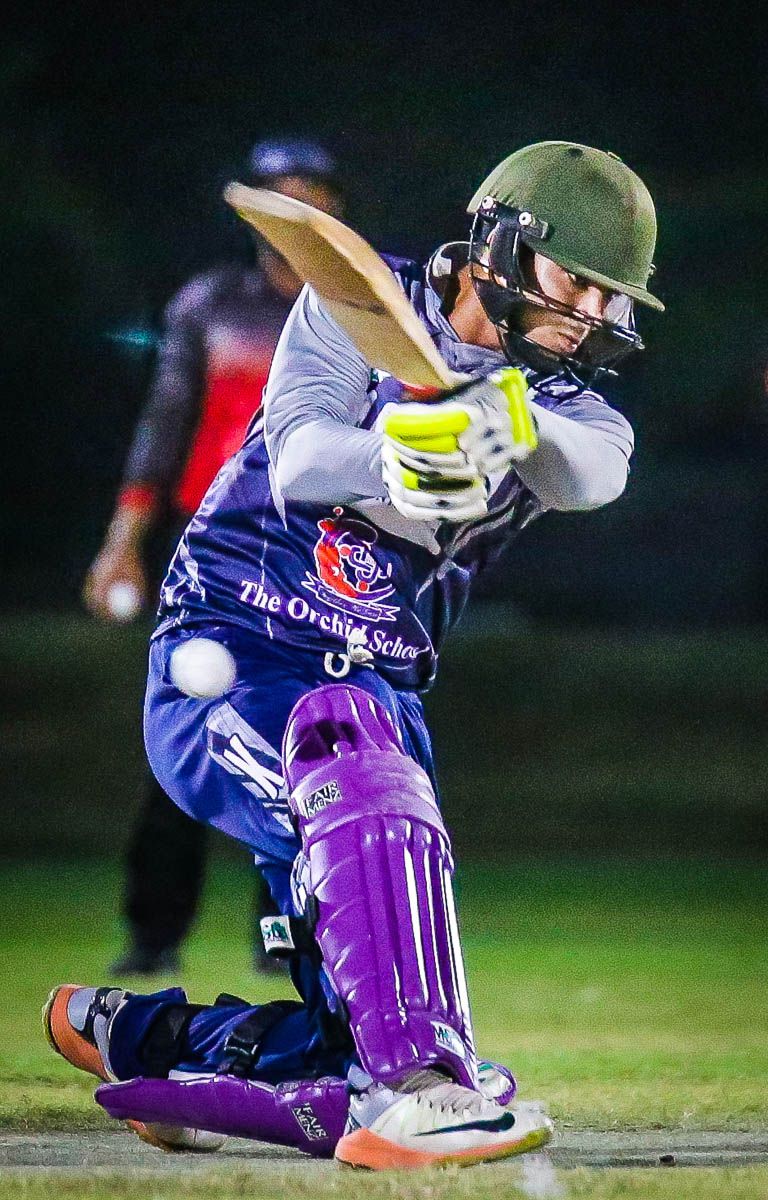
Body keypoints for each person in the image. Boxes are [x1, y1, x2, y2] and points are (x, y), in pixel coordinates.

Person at [48, 141, 663, 1169]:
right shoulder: (357, 303)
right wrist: (397, 457)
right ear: (502, 249)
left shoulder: (566, 401)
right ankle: (421, 1088)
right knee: (356, 765)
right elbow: (298, 455)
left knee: (355, 1023)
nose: (591, 314)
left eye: (611, 297)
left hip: (380, 684)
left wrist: (502, 421)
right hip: (237, 646)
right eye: (576, 281)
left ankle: (155, 1042)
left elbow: (591, 473)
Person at [83, 137, 345, 975]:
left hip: (313, 551)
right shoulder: (211, 305)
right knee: (188, 736)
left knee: (306, 746)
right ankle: (153, 933)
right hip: (209, 550)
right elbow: (164, 426)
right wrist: (123, 544)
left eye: (310, 195)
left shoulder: (360, 307)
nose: (294, 211)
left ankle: (289, 938)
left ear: (335, 209)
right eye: (277, 195)